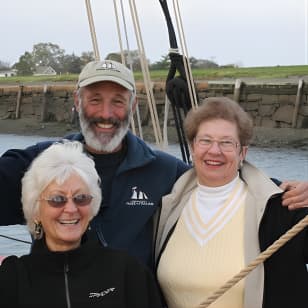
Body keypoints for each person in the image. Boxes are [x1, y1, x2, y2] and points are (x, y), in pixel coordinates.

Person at [0, 60, 307, 270]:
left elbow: (223, 176)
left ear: (134, 106)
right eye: (95, 100)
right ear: (77, 102)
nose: (106, 113)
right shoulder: (37, 164)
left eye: (118, 101)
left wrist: (285, 189)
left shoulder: (162, 170)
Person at [155, 97, 308, 308]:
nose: (214, 151)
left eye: (226, 142)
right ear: (192, 147)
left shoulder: (280, 206)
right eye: (205, 140)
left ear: (242, 152)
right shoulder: (167, 206)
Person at [0, 141, 163, 308]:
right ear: (35, 211)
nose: (71, 209)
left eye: (81, 198)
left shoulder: (128, 273)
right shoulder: (11, 279)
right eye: (57, 199)